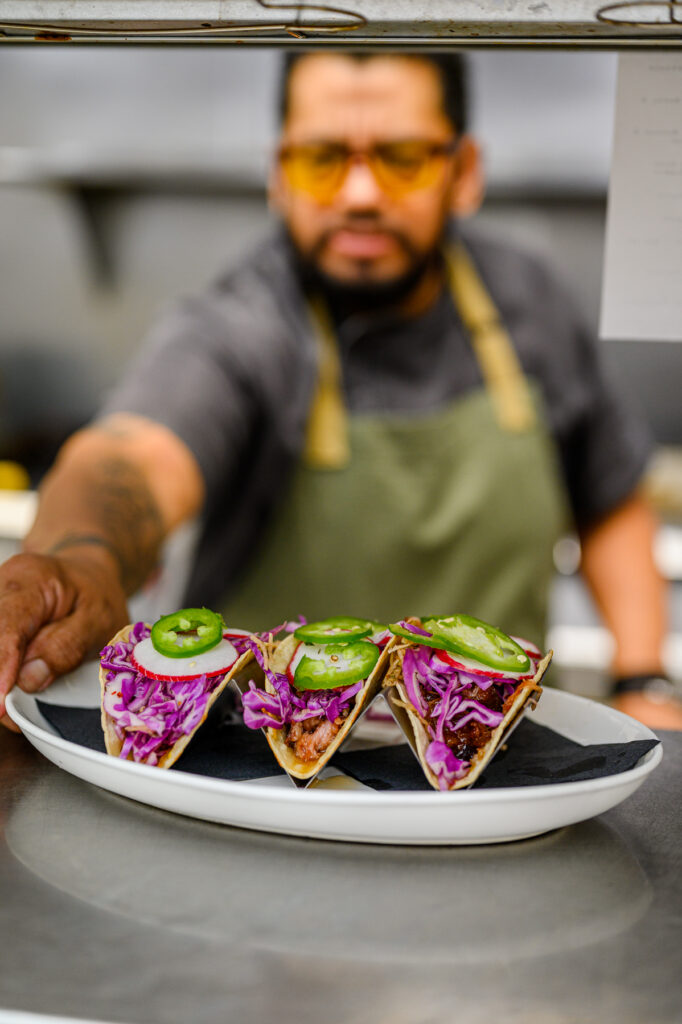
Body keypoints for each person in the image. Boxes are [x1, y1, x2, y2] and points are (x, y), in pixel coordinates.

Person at [0, 51, 680, 732]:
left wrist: (641, 675)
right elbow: (135, 457)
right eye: (322, 158)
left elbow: (608, 499)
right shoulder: (243, 324)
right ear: (279, 174)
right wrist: (80, 559)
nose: (359, 194)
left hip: (500, 771)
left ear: (464, 172)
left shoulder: (531, 302)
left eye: (402, 157)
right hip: (273, 784)